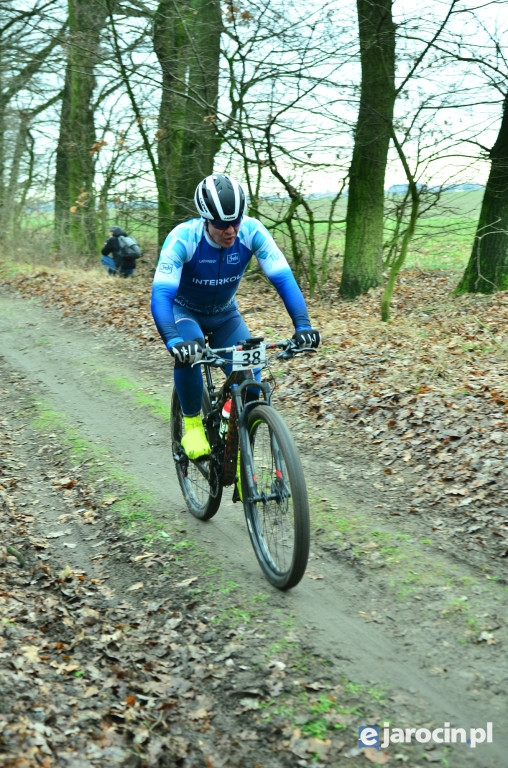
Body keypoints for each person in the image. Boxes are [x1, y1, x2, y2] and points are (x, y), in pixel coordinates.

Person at [150, 172, 320, 463]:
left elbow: (283, 279)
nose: (230, 230)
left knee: (250, 386)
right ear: (206, 219)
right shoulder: (182, 239)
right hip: (185, 313)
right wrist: (174, 340)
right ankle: (191, 424)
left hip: (226, 315)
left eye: (236, 220)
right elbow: (161, 295)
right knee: (189, 352)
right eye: (221, 224)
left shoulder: (252, 232)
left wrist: (302, 325)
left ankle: (239, 453)